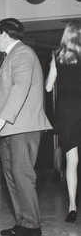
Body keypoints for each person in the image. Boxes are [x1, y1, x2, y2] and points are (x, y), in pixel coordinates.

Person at [0, 18, 52, 236]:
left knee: (22, 174)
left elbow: (20, 88)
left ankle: (32, 225)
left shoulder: (23, 53)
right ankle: (22, 221)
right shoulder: (10, 57)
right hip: (11, 127)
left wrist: (2, 119)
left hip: (23, 126)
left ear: (5, 33)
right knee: (11, 175)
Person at [45, 20, 81, 223]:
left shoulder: (57, 56)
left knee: (71, 161)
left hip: (67, 111)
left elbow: (49, 87)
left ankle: (72, 206)